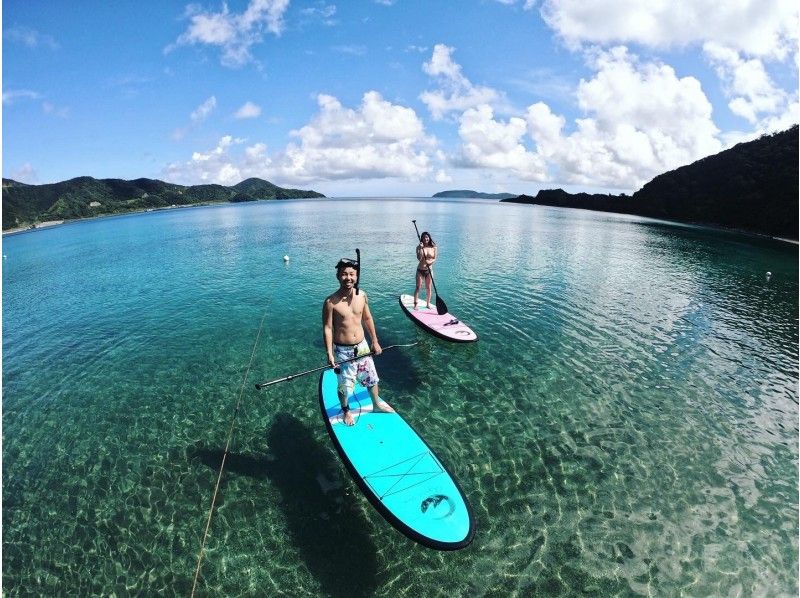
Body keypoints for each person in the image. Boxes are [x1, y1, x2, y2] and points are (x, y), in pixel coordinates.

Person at [322, 257, 394, 426]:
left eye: (352, 274)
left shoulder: (362, 295)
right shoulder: (330, 302)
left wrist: (375, 341)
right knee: (345, 386)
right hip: (343, 351)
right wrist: (329, 353)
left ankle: (376, 405)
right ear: (338, 276)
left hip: (362, 347)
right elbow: (327, 328)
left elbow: (367, 318)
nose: (348, 278)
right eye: (344, 274)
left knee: (372, 378)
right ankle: (346, 410)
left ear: (357, 276)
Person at [414, 231, 437, 309]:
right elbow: (419, 259)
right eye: (424, 237)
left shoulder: (434, 247)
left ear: (429, 238)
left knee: (429, 288)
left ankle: (428, 304)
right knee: (418, 287)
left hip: (429, 271)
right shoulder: (419, 247)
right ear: (422, 239)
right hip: (420, 270)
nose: (425, 239)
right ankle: (415, 304)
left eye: (427, 237)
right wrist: (420, 248)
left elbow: (434, 258)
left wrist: (429, 262)